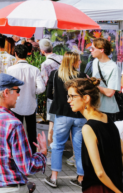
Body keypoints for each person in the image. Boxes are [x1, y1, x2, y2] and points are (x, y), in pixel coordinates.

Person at [65, 78, 123, 193]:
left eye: (72, 96)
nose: (68, 100)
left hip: (98, 188)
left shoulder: (88, 128)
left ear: (86, 98)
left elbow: (100, 173)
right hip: (116, 184)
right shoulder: (107, 118)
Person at [44, 52, 87, 189]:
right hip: (79, 115)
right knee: (79, 147)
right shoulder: (80, 76)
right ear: (73, 61)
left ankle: (54, 177)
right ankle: (81, 178)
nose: (79, 62)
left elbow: (48, 94)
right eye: (78, 60)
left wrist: (59, 98)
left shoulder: (55, 74)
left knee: (57, 145)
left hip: (62, 113)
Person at [7, 45, 45, 154]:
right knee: (31, 132)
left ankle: (16, 153)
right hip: (30, 104)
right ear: (27, 54)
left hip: (15, 105)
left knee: (15, 131)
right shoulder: (34, 69)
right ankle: (32, 154)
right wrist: (33, 92)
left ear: (16, 54)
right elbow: (42, 88)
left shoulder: (10, 69)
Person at [89, 38, 121, 122]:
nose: (90, 50)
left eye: (92, 48)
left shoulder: (114, 67)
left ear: (101, 50)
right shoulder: (95, 61)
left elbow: (110, 92)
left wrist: (93, 85)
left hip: (107, 109)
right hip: (95, 106)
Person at [39, 39, 63, 150]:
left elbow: (44, 83)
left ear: (42, 51)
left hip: (53, 96)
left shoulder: (45, 64)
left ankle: (51, 148)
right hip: (66, 94)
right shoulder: (62, 58)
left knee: (52, 121)